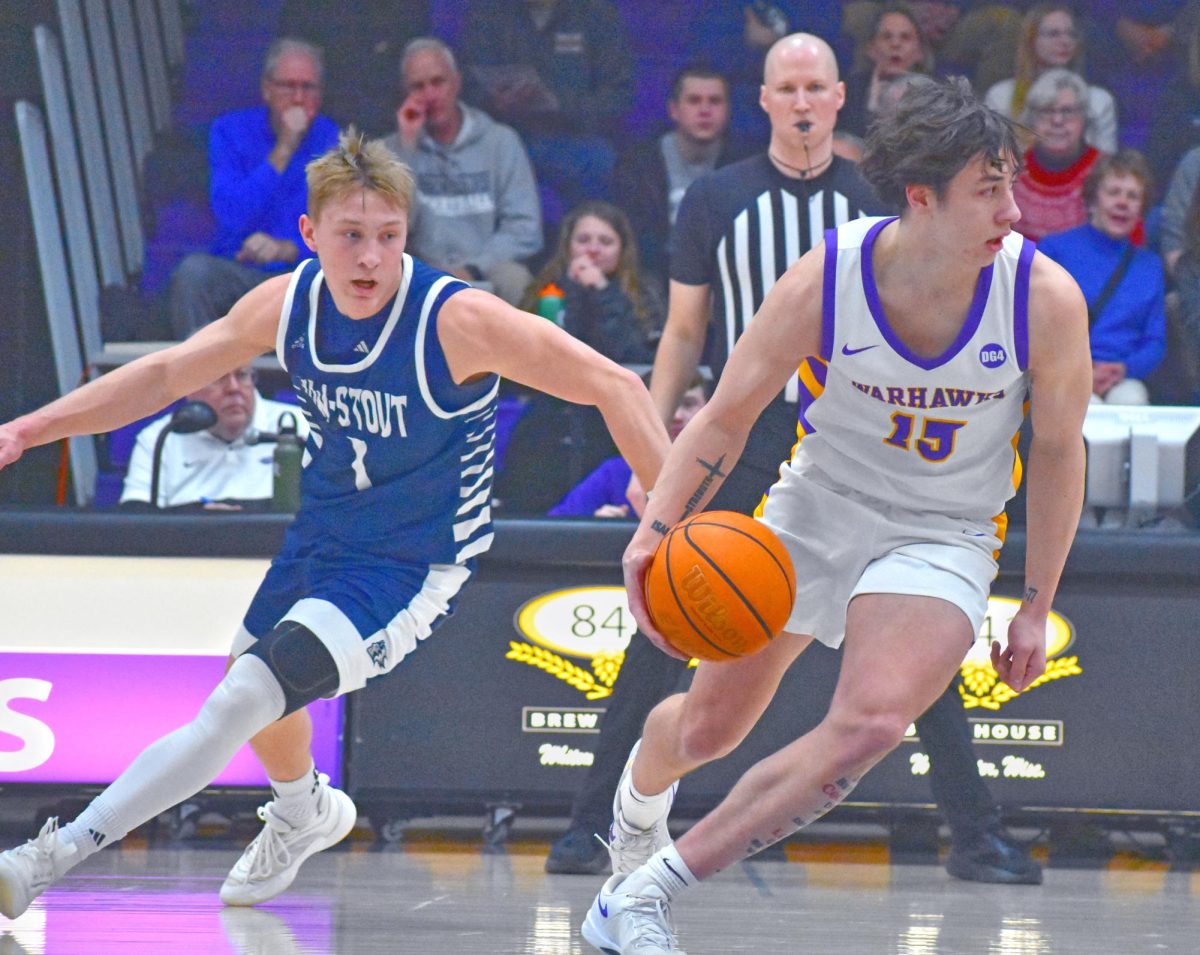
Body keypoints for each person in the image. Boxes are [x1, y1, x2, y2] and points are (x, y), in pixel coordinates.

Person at [0, 132, 670, 921]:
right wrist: (26, 430)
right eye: (350, 236)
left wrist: (667, 521)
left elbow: (615, 384)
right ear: (310, 235)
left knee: (237, 699)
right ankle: (302, 809)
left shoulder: (460, 321)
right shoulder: (287, 304)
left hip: (410, 564)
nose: (369, 259)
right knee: (255, 689)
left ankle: (49, 856)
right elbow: (164, 372)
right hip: (321, 535)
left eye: (387, 237)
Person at [580, 75, 1091, 954]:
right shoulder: (829, 273)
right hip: (819, 504)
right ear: (922, 198)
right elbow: (728, 413)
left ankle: (646, 892)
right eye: (988, 189)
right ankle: (639, 804)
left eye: (1011, 184)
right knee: (707, 728)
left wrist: (1038, 602)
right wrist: (656, 529)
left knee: (873, 720)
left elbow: (1056, 451)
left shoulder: (1042, 299)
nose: (1014, 209)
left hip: (946, 530)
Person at [169, 38, 340, 338]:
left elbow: (343, 234)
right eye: (288, 86)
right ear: (267, 90)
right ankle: (206, 382)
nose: (298, 98)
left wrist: (289, 249)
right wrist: (284, 149)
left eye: (308, 87)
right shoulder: (230, 132)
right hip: (240, 271)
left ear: (321, 95)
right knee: (193, 274)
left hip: (299, 278)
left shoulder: (333, 141)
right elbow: (231, 214)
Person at [382, 37, 543, 307]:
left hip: (487, 268)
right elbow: (386, 227)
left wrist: (473, 268)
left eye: (438, 82)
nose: (430, 95)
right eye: (418, 86)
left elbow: (525, 229)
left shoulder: (500, 142)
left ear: (456, 82)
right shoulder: (389, 150)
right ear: (404, 93)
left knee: (517, 280)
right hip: (418, 271)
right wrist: (407, 148)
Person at [460, 0, 635, 222]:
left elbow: (618, 98)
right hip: (502, 135)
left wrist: (559, 104)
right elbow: (466, 86)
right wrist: (494, 101)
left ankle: (586, 246)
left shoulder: (596, 14)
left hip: (574, 138)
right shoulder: (487, 14)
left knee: (600, 163)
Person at [1039, 151, 1166, 406]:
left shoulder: (1150, 266)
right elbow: (1036, 328)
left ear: (1142, 209)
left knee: (1132, 402)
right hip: (1062, 374)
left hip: (1122, 377)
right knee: (1083, 407)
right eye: (1114, 192)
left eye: (1133, 196)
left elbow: (1155, 340)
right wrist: (1078, 369)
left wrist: (1123, 369)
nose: (1123, 202)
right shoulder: (1053, 251)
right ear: (1092, 199)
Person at [613, 65, 749, 278]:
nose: (705, 110)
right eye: (694, 101)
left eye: (715, 101)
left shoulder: (747, 165)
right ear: (674, 110)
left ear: (728, 110)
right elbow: (632, 240)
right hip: (655, 279)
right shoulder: (638, 165)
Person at [117, 366, 309, 511]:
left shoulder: (303, 424)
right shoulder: (162, 435)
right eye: (218, 378)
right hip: (188, 554)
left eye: (241, 376)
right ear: (188, 388)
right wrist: (198, 522)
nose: (233, 388)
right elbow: (135, 512)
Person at [519, 201, 665, 365]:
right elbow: (547, 356)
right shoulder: (545, 288)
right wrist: (571, 288)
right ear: (568, 246)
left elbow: (638, 356)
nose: (593, 249)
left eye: (605, 242)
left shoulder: (644, 290)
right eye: (583, 240)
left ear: (622, 249)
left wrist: (603, 291)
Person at [549, 377, 709, 518]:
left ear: (709, 408)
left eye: (688, 404)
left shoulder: (723, 471)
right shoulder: (615, 472)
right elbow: (554, 530)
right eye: (668, 407)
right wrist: (596, 527)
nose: (677, 416)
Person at [983, 5, 1119, 153]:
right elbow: (992, 161)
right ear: (1031, 40)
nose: (1065, 41)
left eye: (1071, 34)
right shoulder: (1001, 96)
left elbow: (1105, 164)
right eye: (1054, 34)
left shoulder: (1098, 101)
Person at [1012, 68, 1103, 242]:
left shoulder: (1106, 170)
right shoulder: (1009, 171)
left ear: (1084, 118)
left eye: (1067, 111)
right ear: (1031, 119)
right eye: (1046, 111)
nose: (1057, 121)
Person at [839, 4, 930, 141]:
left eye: (905, 37)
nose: (895, 44)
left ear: (920, 52)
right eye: (887, 37)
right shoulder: (850, 92)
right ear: (871, 49)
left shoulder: (936, 95)